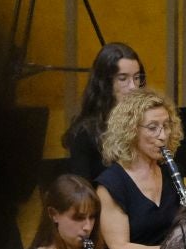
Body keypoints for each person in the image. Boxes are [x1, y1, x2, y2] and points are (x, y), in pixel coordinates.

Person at [95, 87, 183, 249]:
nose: (163, 136)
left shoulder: (169, 172)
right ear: (131, 131)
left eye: (166, 126)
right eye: (153, 128)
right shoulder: (112, 184)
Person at [61, 42, 146, 182]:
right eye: (123, 78)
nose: (133, 87)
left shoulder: (146, 124)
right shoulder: (85, 133)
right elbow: (83, 196)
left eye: (136, 78)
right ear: (105, 83)